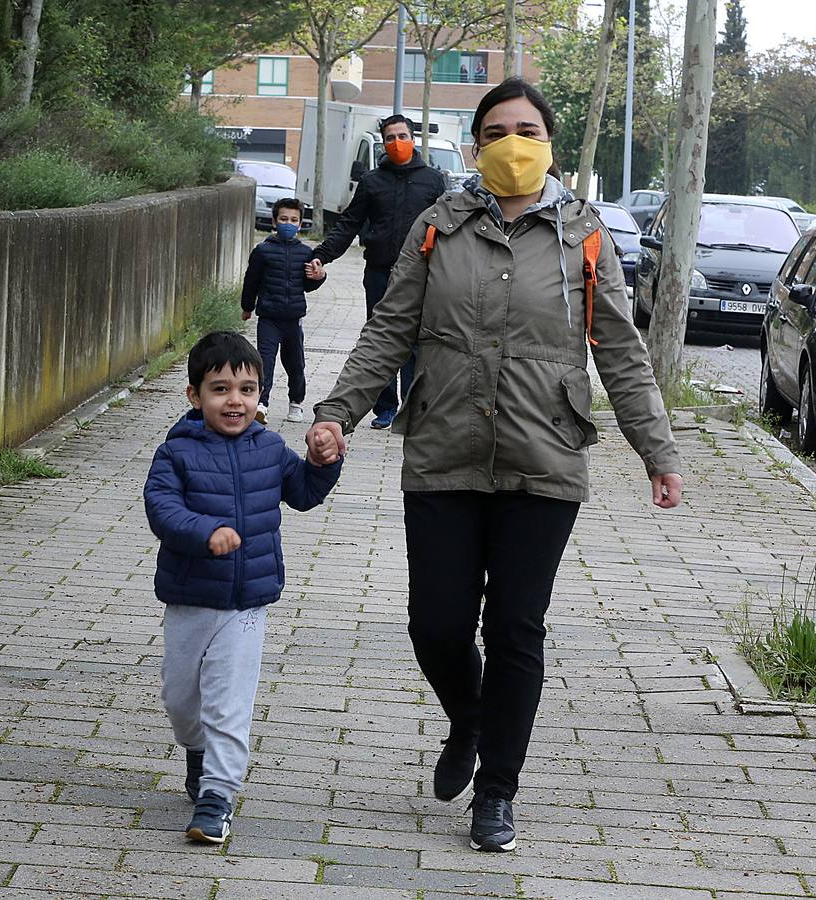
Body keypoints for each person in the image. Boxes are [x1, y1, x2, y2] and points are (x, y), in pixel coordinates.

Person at [305, 78, 682, 853]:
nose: (515, 141)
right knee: (436, 624)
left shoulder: (585, 234)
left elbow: (620, 352)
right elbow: (390, 329)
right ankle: (469, 716)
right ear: (476, 146)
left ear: (547, 141)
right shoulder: (437, 226)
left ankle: (497, 792)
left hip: (544, 457)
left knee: (515, 628)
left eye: (529, 128)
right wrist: (335, 413)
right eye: (499, 130)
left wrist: (658, 451)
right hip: (444, 446)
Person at [144, 331, 342, 844]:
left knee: (228, 704)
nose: (235, 400)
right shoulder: (176, 453)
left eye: (248, 389)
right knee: (181, 701)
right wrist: (204, 532)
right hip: (191, 597)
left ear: (260, 395)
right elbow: (161, 510)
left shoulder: (270, 447)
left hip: (248, 602)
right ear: (194, 395)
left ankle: (217, 798)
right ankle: (197, 752)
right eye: (220, 388)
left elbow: (301, 493)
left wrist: (324, 463)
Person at [308, 115, 447, 430]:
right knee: (381, 337)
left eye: (402, 135)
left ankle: (411, 408)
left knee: (415, 341)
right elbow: (349, 224)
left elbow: (447, 226)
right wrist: (322, 256)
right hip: (380, 272)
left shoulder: (433, 180)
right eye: (390, 137)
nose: (397, 142)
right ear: (383, 143)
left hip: (422, 273)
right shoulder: (372, 181)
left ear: (413, 139)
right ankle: (384, 407)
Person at [241, 197, 326, 425]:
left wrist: (320, 277)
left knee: (295, 363)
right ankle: (261, 403)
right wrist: (247, 307)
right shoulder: (263, 251)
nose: (288, 223)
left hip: (293, 319)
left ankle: (296, 402)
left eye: (293, 220)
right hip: (269, 318)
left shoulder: (305, 253)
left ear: (300, 224)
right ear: (275, 221)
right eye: (284, 219)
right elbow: (251, 281)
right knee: (264, 362)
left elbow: (308, 285)